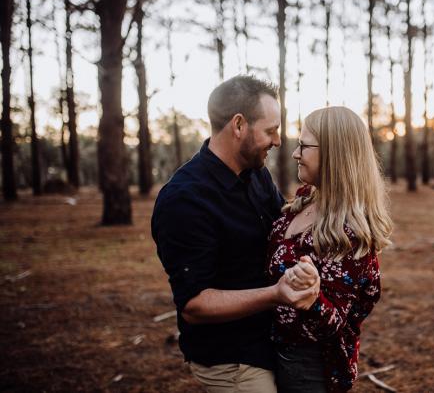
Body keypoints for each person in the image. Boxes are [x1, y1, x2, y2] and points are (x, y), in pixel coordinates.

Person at [151, 75, 320, 393]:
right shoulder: (184, 200)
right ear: (239, 125)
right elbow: (195, 305)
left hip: (272, 340)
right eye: (271, 130)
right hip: (231, 359)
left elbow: (283, 230)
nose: (279, 141)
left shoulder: (257, 176)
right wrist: (276, 294)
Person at [267, 106, 393, 393]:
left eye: (303, 146)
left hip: (308, 366)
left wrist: (312, 297)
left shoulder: (349, 233)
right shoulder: (305, 200)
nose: (295, 153)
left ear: (334, 153)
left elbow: (335, 325)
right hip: (270, 348)